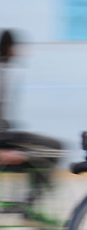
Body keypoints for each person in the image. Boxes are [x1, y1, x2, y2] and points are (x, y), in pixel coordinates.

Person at [0, 29, 63, 197]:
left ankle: (28, 203)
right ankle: (29, 204)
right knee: (55, 148)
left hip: (6, 135)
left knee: (47, 150)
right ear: (8, 48)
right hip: (3, 138)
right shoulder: (5, 72)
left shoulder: (7, 70)